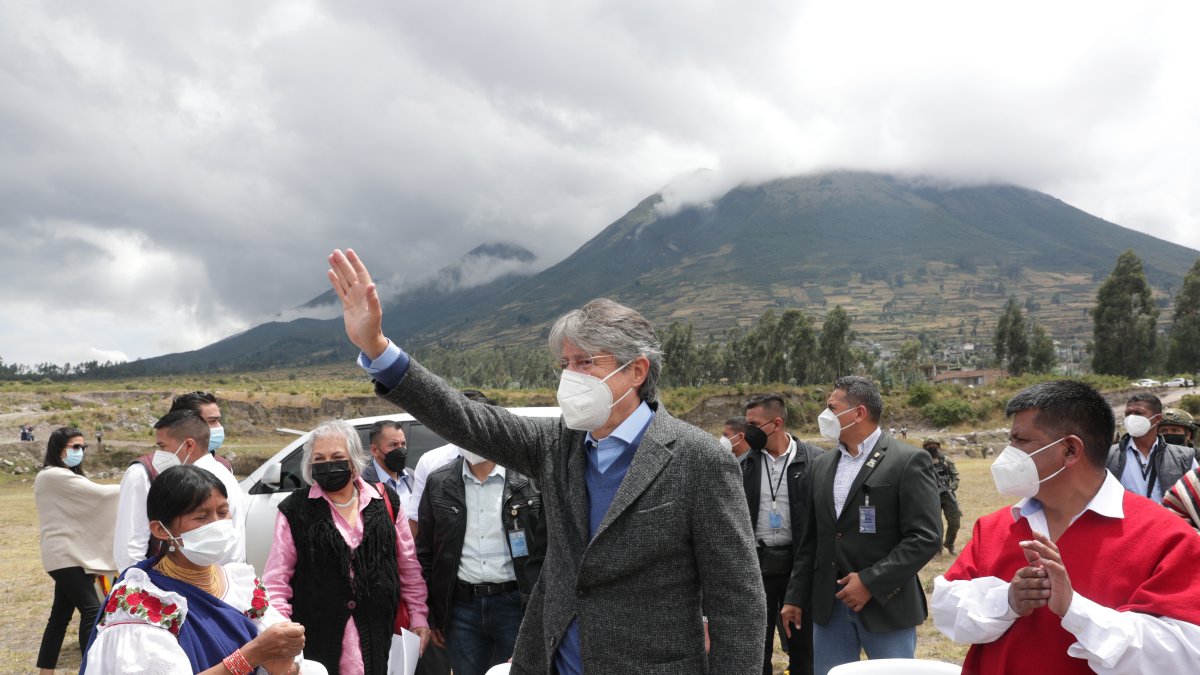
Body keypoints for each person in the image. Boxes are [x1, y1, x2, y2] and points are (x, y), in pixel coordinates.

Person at [327, 248, 765, 674]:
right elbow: (468, 420)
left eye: (586, 362)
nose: (571, 375)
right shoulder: (559, 444)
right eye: (565, 363)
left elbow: (738, 601)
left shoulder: (697, 459)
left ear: (637, 371)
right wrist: (379, 349)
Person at [932, 380, 1200, 674]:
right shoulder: (996, 527)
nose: (1008, 453)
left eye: (1020, 441)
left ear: (1070, 450)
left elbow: (1183, 655)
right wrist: (1007, 600)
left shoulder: (1167, 537)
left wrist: (1075, 610)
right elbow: (946, 608)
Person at [83, 465, 318, 674]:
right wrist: (251, 656)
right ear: (161, 530)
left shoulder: (241, 585)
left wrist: (285, 665)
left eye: (223, 512)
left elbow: (280, 665)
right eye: (201, 517)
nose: (217, 525)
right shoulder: (143, 603)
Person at [780, 376, 941, 675]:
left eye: (831, 407)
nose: (824, 415)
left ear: (858, 413)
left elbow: (925, 537)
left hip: (886, 603)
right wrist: (795, 596)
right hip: (830, 607)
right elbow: (812, 540)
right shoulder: (823, 465)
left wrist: (870, 581)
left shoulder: (907, 460)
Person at [263, 420, 431, 674]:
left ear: (353, 460)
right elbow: (276, 581)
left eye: (337, 456)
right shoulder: (295, 509)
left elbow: (408, 567)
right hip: (319, 639)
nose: (328, 463)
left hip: (381, 636)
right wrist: (285, 634)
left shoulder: (386, 501)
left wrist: (419, 615)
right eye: (319, 457)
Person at [417, 442, 546, 675]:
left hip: (516, 604)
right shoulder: (439, 482)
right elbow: (426, 552)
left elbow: (548, 550)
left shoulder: (529, 481)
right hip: (462, 608)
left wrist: (540, 611)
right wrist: (433, 614)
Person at [741, 394, 819, 675]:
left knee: (804, 648)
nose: (747, 430)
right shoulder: (743, 465)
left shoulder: (815, 462)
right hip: (756, 569)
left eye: (753, 424)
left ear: (776, 423)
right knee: (755, 648)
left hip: (800, 568)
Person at [113, 409, 246, 572]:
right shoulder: (220, 474)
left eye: (163, 447)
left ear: (189, 445)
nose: (158, 455)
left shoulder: (207, 482)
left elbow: (130, 546)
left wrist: (134, 585)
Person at [34, 427, 121, 674]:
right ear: (57, 448)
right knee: (91, 609)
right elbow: (101, 494)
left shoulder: (61, 477)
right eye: (74, 447)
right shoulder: (52, 476)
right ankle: (90, 668)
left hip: (69, 555)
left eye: (83, 447)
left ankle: (46, 672)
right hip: (65, 556)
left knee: (59, 617)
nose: (79, 452)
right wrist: (135, 486)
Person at [1105, 392, 1197, 502]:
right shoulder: (1108, 456)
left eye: (1138, 413)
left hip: (1169, 518)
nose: (1131, 418)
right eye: (1128, 413)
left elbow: (1196, 495)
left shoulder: (1185, 457)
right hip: (1127, 519)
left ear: (1158, 418)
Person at [169, 391, 235, 472]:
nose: (219, 427)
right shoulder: (155, 469)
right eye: (212, 421)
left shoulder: (224, 467)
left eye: (218, 420)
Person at [922, 438, 962, 555]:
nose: (932, 447)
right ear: (925, 448)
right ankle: (937, 548)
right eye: (929, 445)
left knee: (955, 522)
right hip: (931, 497)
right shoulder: (922, 462)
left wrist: (952, 487)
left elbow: (955, 476)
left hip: (948, 495)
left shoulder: (946, 460)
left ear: (938, 446)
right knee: (935, 524)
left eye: (934, 445)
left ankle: (949, 544)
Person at [362, 420, 416, 502]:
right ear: (375, 450)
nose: (401, 449)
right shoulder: (362, 482)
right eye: (393, 444)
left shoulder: (412, 476)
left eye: (403, 444)